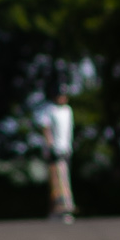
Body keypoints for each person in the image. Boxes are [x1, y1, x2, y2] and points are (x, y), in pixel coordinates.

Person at [40, 90, 75, 222]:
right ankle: (56, 209)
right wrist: (50, 146)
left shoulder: (68, 110)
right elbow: (45, 128)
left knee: (64, 179)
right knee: (56, 180)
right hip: (54, 150)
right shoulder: (50, 110)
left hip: (66, 149)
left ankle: (64, 208)